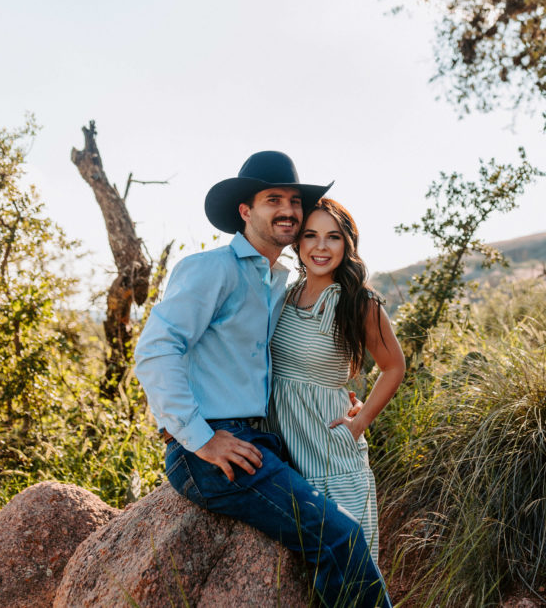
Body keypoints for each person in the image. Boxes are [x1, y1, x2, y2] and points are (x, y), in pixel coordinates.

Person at [134, 150, 391, 608]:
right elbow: (156, 350)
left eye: (294, 201)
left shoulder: (278, 283)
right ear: (246, 211)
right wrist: (202, 439)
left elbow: (286, 358)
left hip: (263, 437)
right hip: (214, 447)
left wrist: (338, 393)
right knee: (341, 538)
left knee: (335, 539)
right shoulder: (210, 269)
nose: (289, 211)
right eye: (274, 199)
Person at [263, 198, 405, 566]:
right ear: (297, 242)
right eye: (310, 235)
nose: (321, 247)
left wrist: (360, 421)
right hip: (283, 445)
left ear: (348, 244)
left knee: (350, 573)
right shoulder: (285, 293)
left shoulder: (360, 303)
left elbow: (394, 366)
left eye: (333, 237)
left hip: (330, 449)